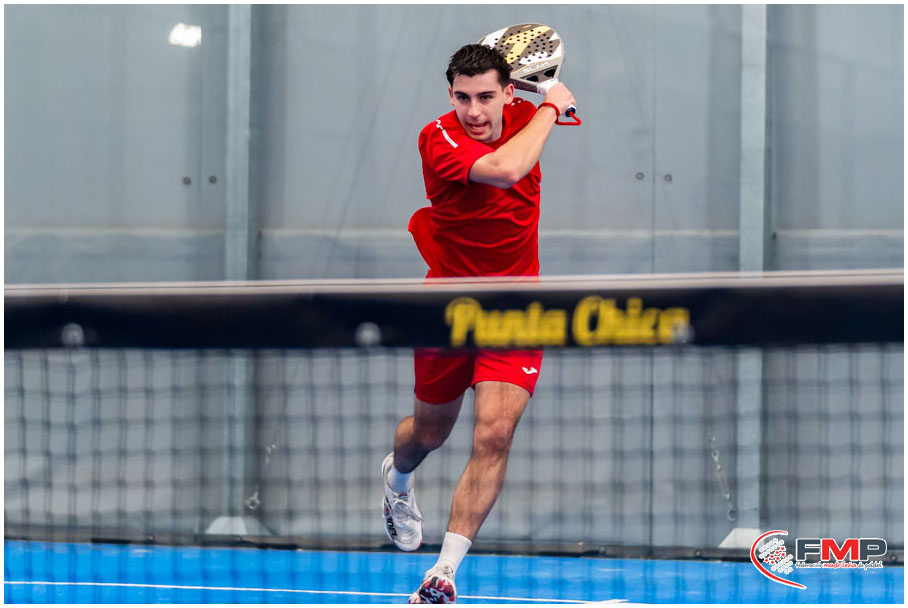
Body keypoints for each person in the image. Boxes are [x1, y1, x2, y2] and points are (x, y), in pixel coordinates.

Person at [381, 43, 576, 604]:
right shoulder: (437, 138)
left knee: (494, 433)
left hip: (517, 309)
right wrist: (552, 103)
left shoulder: (524, 114)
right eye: (462, 97)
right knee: (428, 435)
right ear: (450, 95)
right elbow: (506, 169)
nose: (474, 110)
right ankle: (397, 476)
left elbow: (532, 129)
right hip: (448, 309)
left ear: (508, 93)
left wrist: (545, 100)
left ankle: (443, 574)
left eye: (486, 96)